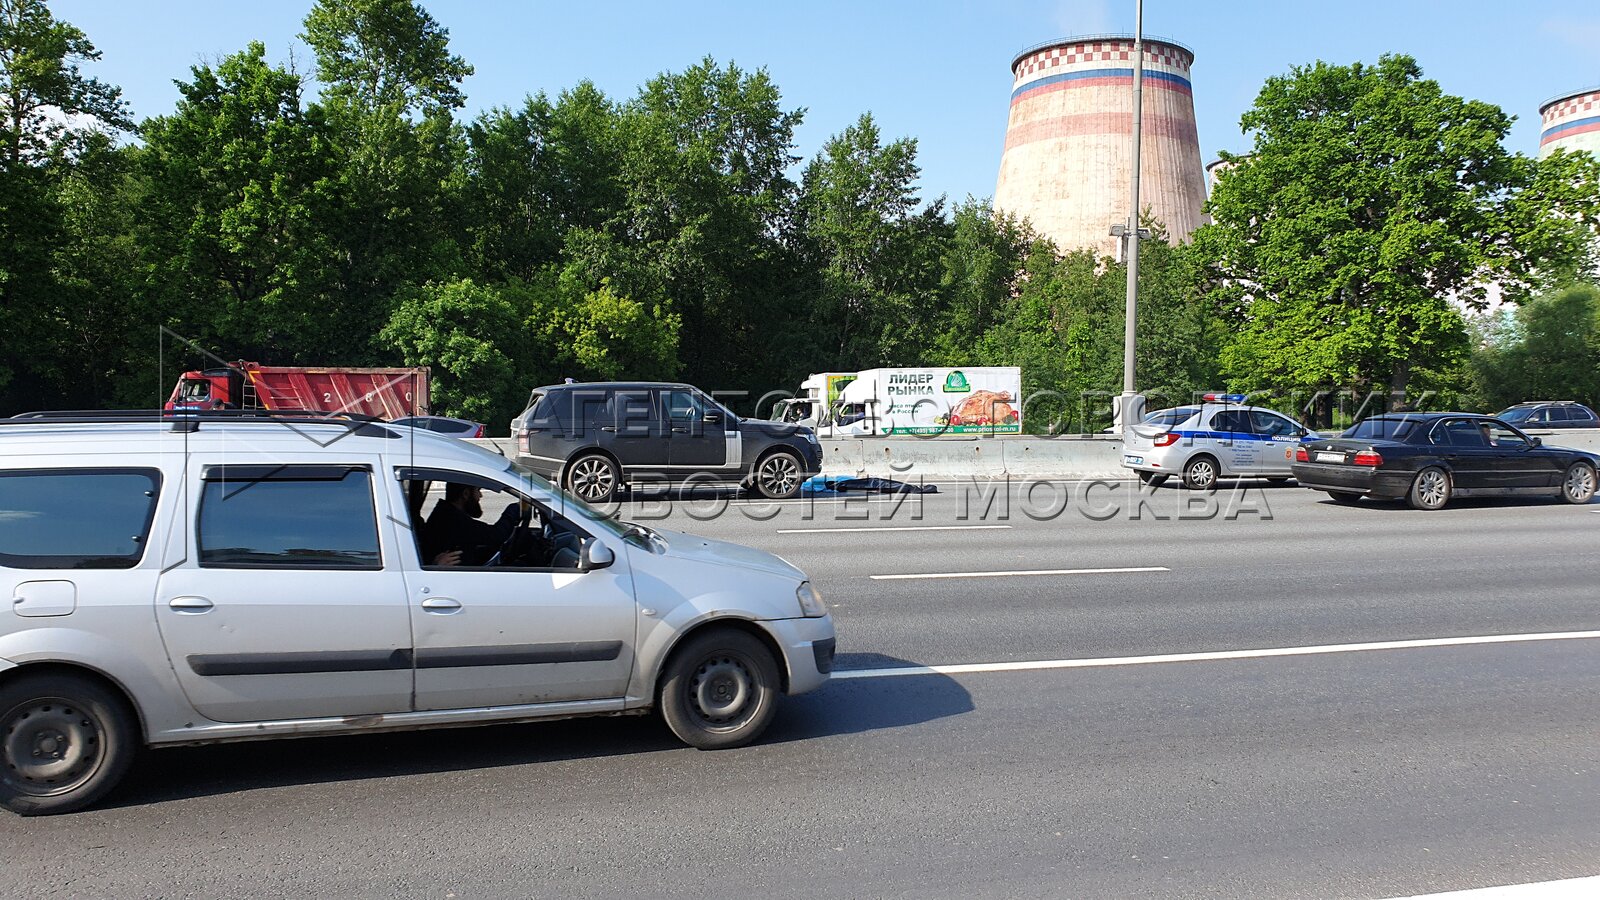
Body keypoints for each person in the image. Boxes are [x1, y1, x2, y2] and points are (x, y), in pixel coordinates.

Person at [423, 483, 524, 567]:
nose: (480, 496)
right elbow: (496, 535)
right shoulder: (451, 520)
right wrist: (516, 508)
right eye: (478, 490)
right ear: (466, 494)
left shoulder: (447, 514)